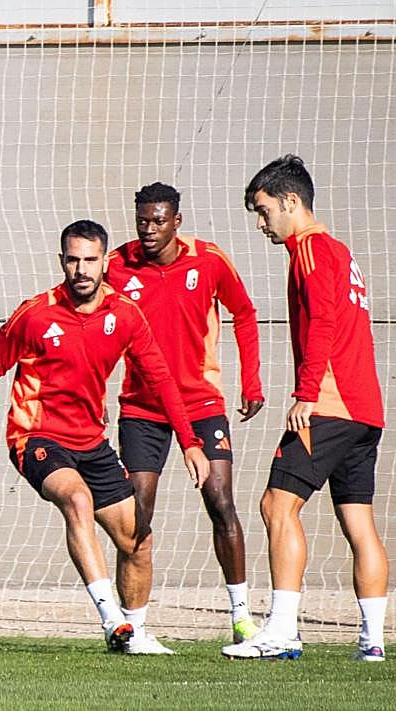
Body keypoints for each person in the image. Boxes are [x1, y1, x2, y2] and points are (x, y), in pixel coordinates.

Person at [0, 219, 209, 654]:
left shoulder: (124, 315)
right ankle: (111, 619)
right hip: (35, 436)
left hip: (91, 442)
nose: (81, 269)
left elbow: (160, 379)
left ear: (104, 262)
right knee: (77, 500)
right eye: (73, 260)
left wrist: (190, 441)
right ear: (62, 261)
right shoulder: (35, 313)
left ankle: (134, 634)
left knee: (139, 540)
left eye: (90, 260)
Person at [223, 155, 389, 662]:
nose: (260, 223)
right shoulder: (342, 252)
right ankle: (374, 641)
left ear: (291, 202)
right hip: (366, 411)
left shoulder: (312, 250)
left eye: (263, 209)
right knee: (358, 522)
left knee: (277, 505)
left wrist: (307, 392)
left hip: (331, 405)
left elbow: (322, 324)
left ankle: (281, 630)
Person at [109, 182, 265, 646]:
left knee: (221, 502)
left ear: (177, 220)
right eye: (142, 221)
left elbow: (245, 312)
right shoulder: (117, 265)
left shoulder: (209, 260)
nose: (149, 230)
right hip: (142, 408)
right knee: (136, 513)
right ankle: (133, 628)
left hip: (201, 404)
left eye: (158, 221)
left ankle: (241, 619)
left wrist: (251, 382)